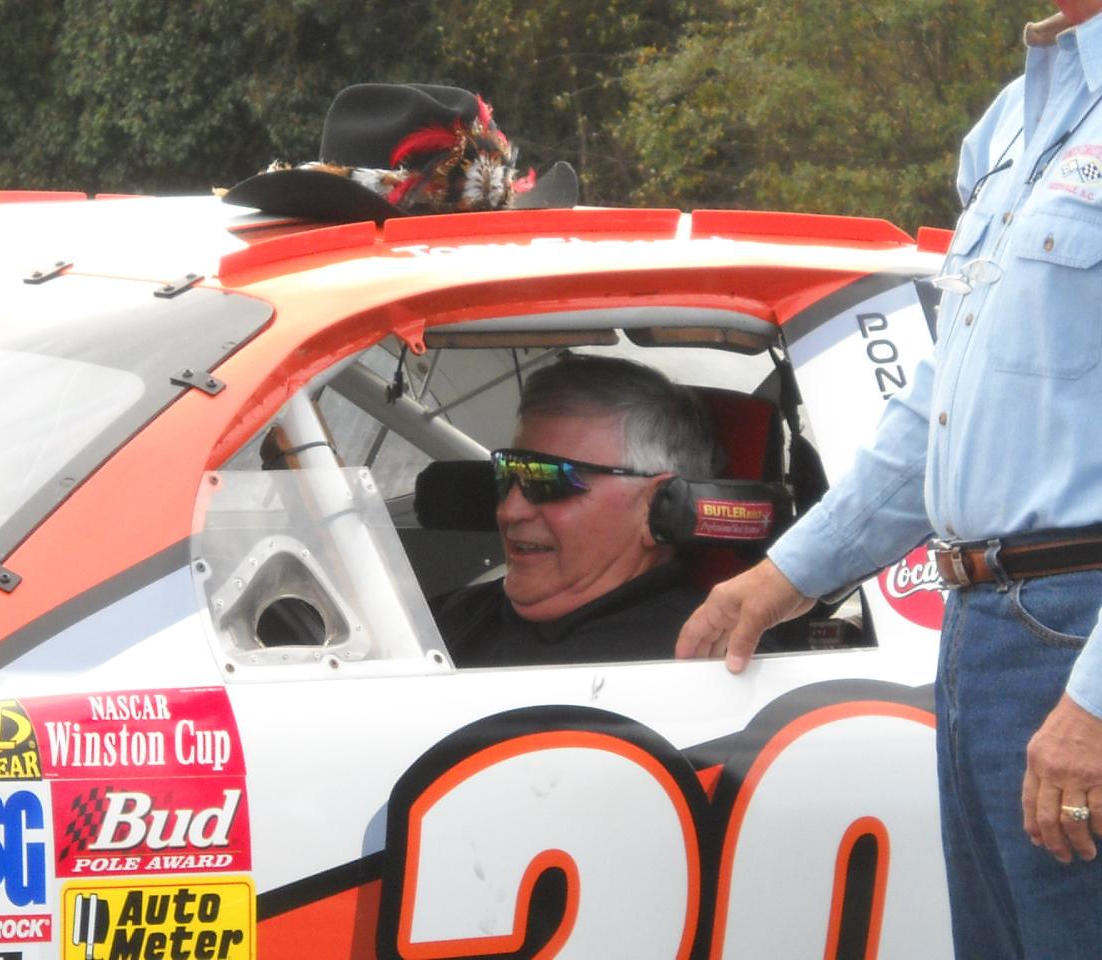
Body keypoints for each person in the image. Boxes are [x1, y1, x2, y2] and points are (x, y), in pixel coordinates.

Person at [676, 4, 1102, 956]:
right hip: (985, 629)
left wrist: (1097, 703)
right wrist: (788, 573)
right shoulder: (1015, 116)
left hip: (1078, 633)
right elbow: (944, 394)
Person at [436, 354, 720, 667]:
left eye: (548, 480)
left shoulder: (697, 660)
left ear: (655, 505)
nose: (509, 511)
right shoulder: (446, 617)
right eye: (507, 474)